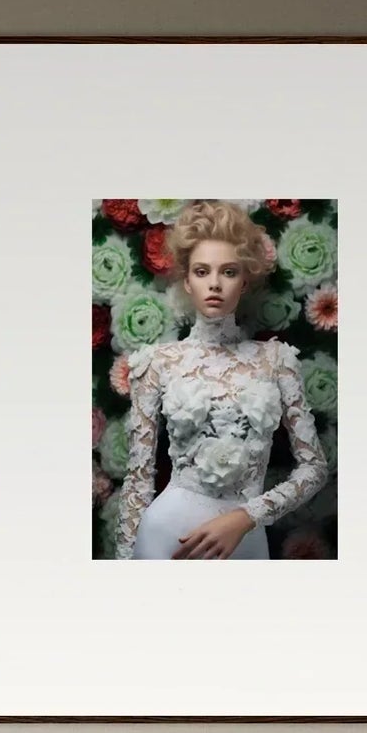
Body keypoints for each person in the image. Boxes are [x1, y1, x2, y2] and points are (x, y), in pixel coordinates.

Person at [114, 200, 329, 562]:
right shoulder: (158, 362)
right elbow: (138, 482)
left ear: (244, 281)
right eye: (202, 271)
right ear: (187, 281)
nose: (214, 284)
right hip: (165, 537)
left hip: (244, 540)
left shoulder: (277, 361)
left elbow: (315, 468)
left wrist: (246, 517)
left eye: (228, 272)